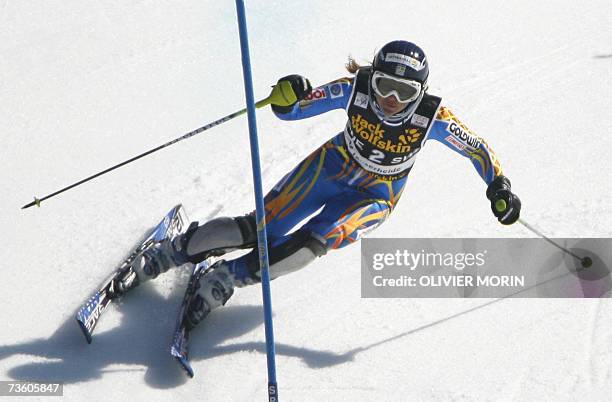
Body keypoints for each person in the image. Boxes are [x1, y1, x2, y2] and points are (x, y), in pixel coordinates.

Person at [118, 40, 521, 329]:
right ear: (372, 78)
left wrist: (498, 186)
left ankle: (226, 279)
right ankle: (172, 253)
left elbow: (478, 149)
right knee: (261, 227)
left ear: (422, 92)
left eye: (405, 91)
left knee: (311, 247)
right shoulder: (354, 90)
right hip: (331, 167)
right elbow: (292, 110)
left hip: (376, 196)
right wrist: (286, 95)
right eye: (384, 86)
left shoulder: (433, 118)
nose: (392, 99)